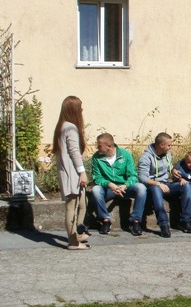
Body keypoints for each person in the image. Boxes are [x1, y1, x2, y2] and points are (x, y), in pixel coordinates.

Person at [52, 95, 90, 250]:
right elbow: (74, 151)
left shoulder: (62, 126)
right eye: (79, 108)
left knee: (82, 204)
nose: (81, 110)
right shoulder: (71, 127)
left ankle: (77, 233)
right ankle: (73, 241)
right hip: (71, 172)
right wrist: (82, 172)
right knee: (71, 206)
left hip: (68, 170)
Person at [90, 133, 147, 236]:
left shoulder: (125, 154)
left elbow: (133, 176)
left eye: (99, 145)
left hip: (124, 188)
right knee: (96, 190)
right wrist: (110, 184)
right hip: (108, 188)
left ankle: (135, 221)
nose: (97, 147)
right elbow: (97, 178)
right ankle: (105, 220)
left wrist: (125, 185)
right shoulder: (96, 158)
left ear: (109, 146)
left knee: (141, 188)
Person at [137, 133, 191, 238]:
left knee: (186, 186)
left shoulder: (167, 154)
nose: (171, 147)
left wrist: (174, 171)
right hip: (153, 185)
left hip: (167, 184)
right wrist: (158, 184)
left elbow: (169, 167)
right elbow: (143, 178)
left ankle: (186, 221)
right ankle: (163, 224)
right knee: (156, 191)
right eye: (169, 145)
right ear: (161, 145)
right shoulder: (146, 158)